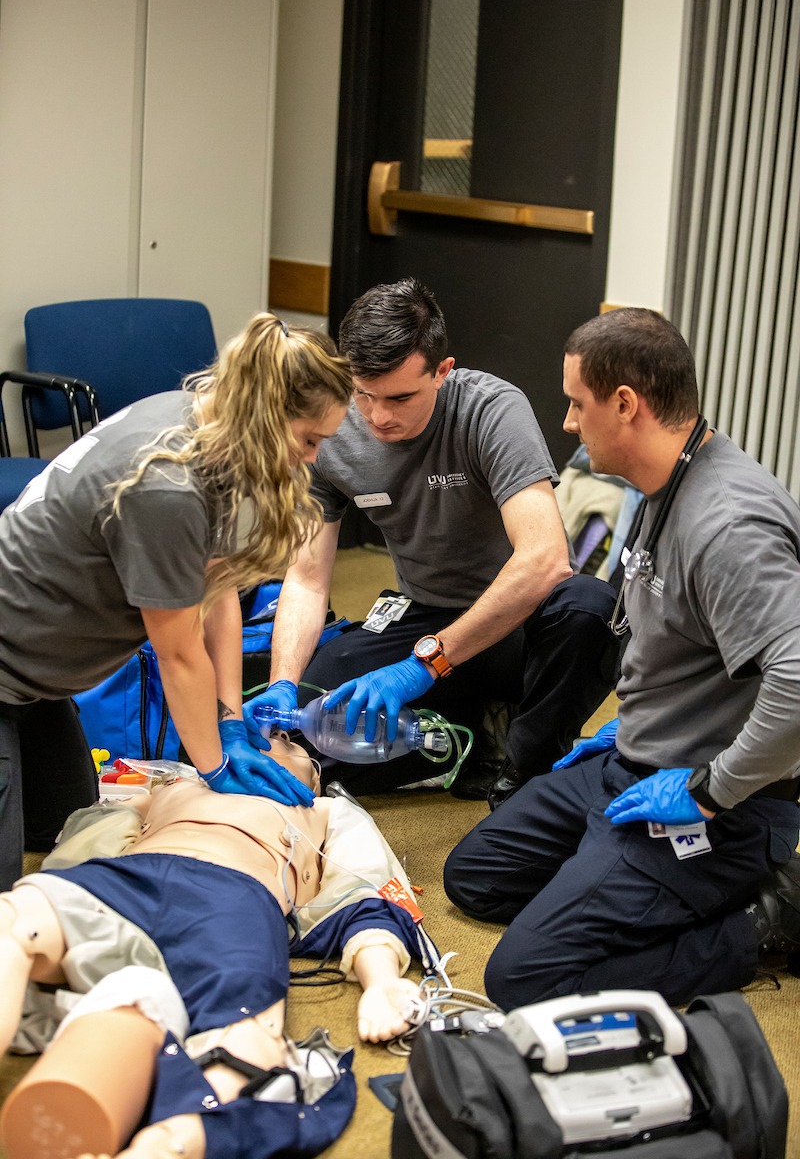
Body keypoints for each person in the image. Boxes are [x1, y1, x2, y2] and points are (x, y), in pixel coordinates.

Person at [444, 307, 800, 1010]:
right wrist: (626, 729)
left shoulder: (728, 523)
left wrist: (708, 792)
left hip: (720, 804)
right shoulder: (661, 484)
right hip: (634, 765)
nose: (569, 423)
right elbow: (673, 640)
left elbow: (797, 682)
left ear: (625, 404)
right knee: (476, 876)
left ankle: (766, 919)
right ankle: (619, 878)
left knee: (524, 976)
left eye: (577, 404)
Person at [0, 313, 353, 892]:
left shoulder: (202, 422)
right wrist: (212, 766)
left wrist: (230, 721)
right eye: (309, 440)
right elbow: (180, 655)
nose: (313, 459)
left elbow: (216, 592)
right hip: (8, 663)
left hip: (40, 679)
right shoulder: (168, 485)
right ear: (266, 416)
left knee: (59, 821)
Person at [246, 279, 618, 802]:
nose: (378, 417)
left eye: (400, 397)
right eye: (364, 394)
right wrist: (283, 685)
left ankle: (526, 765)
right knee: (314, 717)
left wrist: (425, 665)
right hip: (424, 614)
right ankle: (469, 728)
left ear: (443, 372)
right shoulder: (332, 429)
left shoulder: (491, 409)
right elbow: (307, 578)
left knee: (590, 610)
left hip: (515, 625)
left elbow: (546, 560)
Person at [0, 731, 426, 1159]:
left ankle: (167, 1145)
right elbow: (92, 835)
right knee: (14, 920)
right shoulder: (176, 785)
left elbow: (362, 889)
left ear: (312, 775)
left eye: (289, 742)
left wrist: (382, 981)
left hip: (232, 899)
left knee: (245, 1052)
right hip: (125, 880)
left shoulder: (322, 808)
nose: (270, 734)